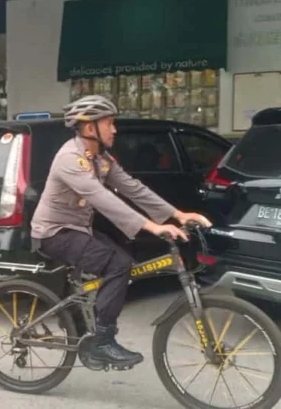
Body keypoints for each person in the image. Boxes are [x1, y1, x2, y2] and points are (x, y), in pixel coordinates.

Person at [30, 95, 211, 369]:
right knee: (118, 264)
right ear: (90, 128)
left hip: (78, 229)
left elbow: (132, 187)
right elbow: (103, 199)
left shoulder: (100, 158)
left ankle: (83, 323)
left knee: (119, 258)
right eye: (109, 123)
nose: (114, 129)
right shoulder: (71, 158)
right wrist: (152, 226)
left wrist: (177, 214)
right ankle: (103, 342)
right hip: (55, 232)